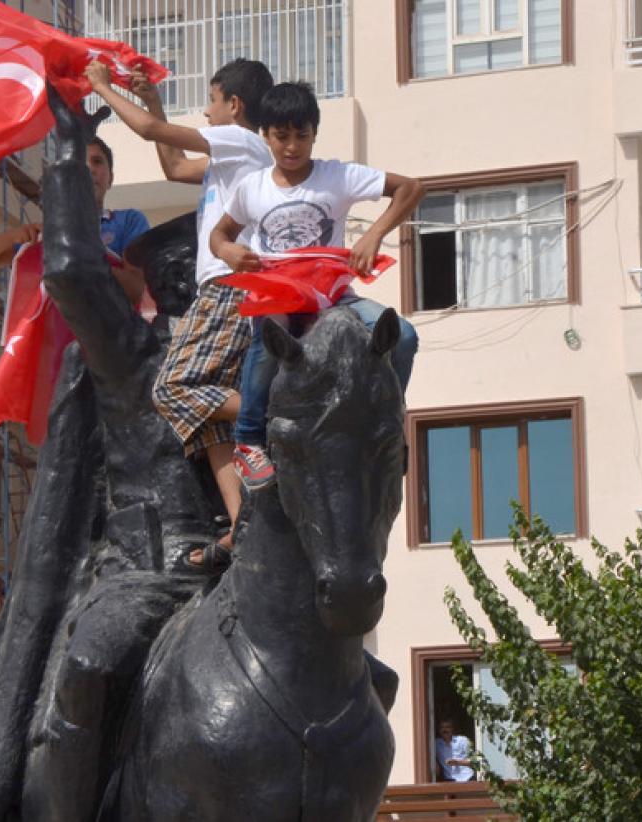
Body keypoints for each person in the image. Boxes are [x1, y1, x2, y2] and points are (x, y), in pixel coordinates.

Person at [86, 57, 274, 572]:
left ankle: (280, 410)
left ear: (234, 105)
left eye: (212, 102)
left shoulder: (245, 141)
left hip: (230, 288)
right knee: (206, 420)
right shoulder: (230, 159)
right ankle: (242, 523)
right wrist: (151, 100)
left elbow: (150, 133)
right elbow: (171, 166)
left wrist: (103, 86)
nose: (207, 113)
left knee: (174, 389)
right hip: (221, 288)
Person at [209, 81, 424, 490]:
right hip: (277, 295)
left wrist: (374, 234)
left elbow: (411, 189)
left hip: (333, 297)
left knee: (404, 336)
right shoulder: (251, 189)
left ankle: (387, 418)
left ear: (314, 135)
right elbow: (219, 235)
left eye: (301, 136)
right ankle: (248, 440)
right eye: (281, 137)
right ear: (266, 136)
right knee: (270, 335)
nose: (292, 147)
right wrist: (228, 252)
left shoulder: (336, 176)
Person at [0, 136, 149, 303]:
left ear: (111, 179)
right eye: (79, 163)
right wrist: (12, 236)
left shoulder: (129, 221)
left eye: (97, 161)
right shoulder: (50, 235)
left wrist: (84, 262)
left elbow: (136, 289)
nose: (90, 169)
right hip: (58, 337)